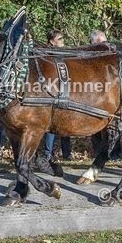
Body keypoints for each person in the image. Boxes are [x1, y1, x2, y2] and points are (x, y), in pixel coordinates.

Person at [40, 29, 71, 164]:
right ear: (52, 42)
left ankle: (67, 153)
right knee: (50, 128)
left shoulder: (66, 54)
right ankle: (47, 154)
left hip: (66, 90)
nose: (62, 41)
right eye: (59, 39)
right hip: (52, 91)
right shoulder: (47, 55)